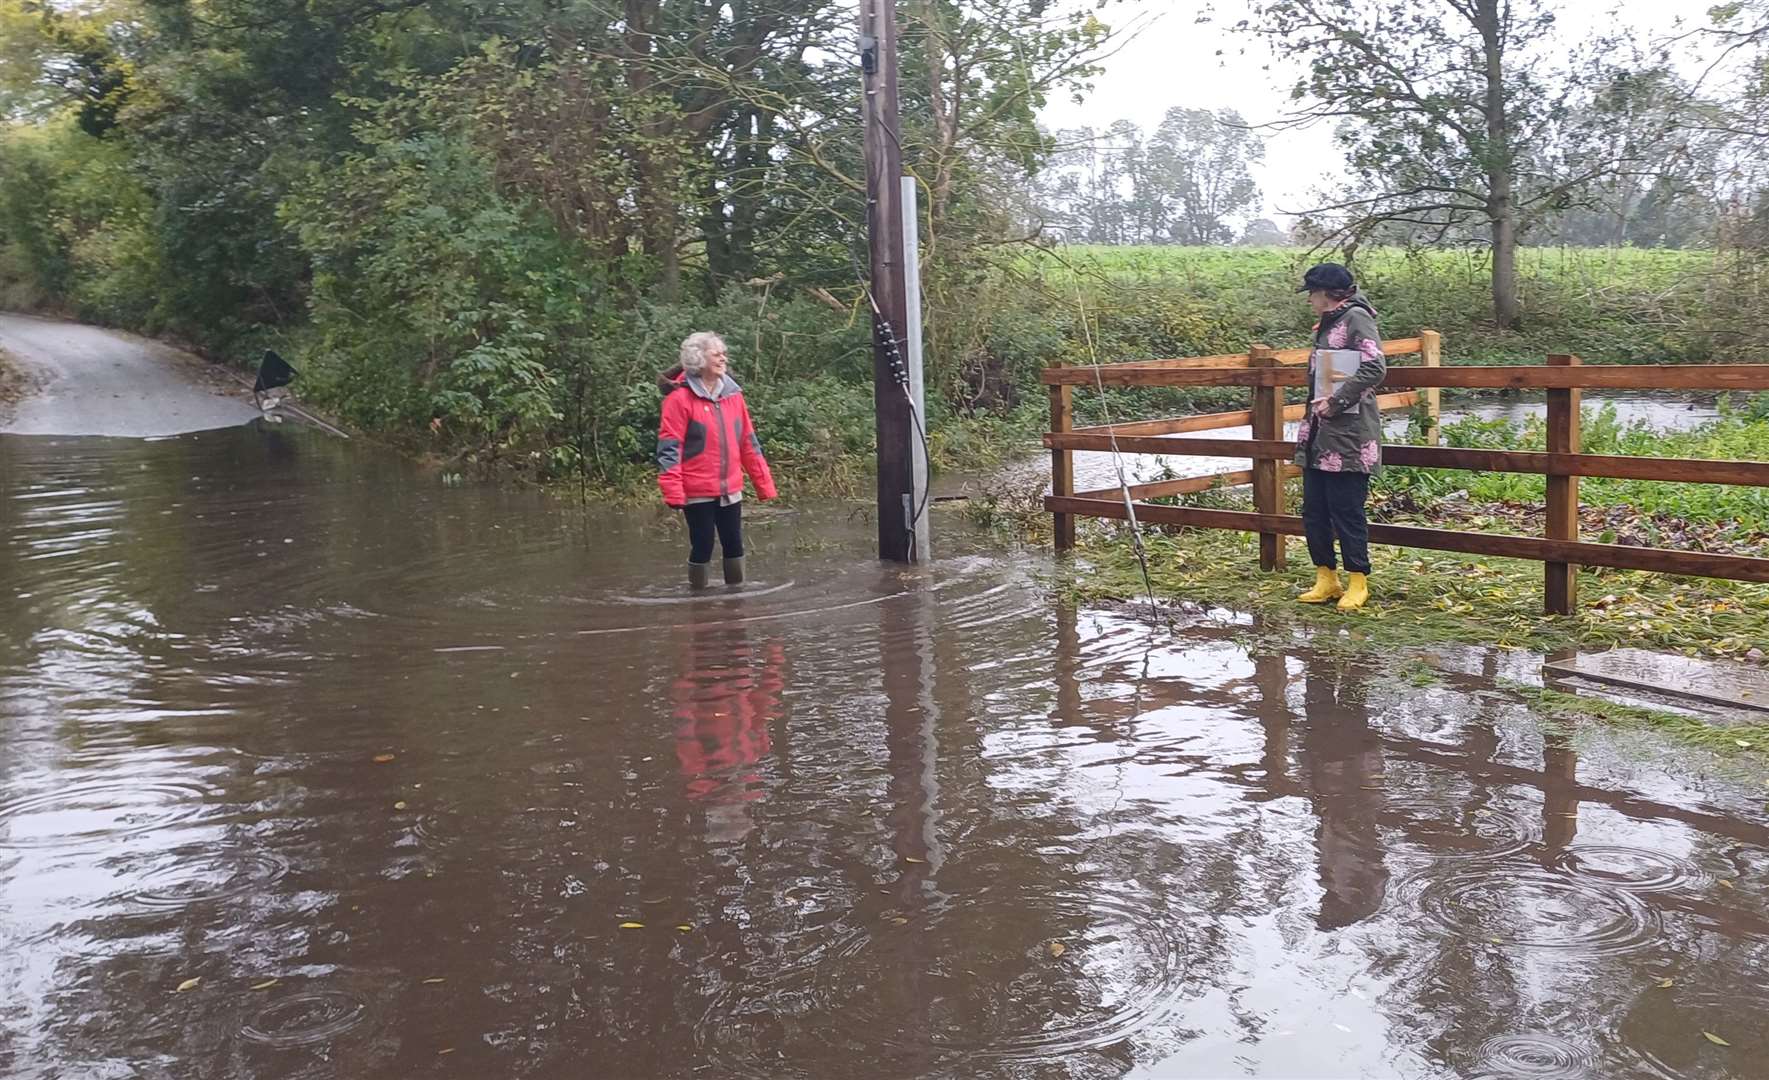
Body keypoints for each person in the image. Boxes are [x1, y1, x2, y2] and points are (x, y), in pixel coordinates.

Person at [1293, 262, 1386, 611]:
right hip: (1320, 431)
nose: (1309, 301)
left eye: (1312, 294)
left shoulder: (1357, 318)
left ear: (1327, 293)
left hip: (1349, 434)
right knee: (1314, 508)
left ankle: (1357, 581)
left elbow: (1375, 366)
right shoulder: (1329, 322)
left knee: (1346, 509)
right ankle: (1325, 577)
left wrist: (1337, 400)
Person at [656, 332, 777, 588]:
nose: (724, 358)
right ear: (699, 359)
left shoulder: (734, 395)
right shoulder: (678, 400)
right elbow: (669, 449)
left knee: (734, 542)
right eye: (717, 354)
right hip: (696, 490)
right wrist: (674, 492)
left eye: (724, 353)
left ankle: (737, 599)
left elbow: (748, 442)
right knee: (703, 544)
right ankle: (697, 600)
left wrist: (763, 484)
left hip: (730, 488)